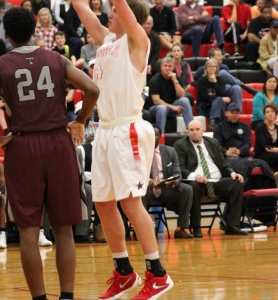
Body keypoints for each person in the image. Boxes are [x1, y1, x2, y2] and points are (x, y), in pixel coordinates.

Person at [0, 7, 99, 300]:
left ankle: (39, 298)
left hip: (22, 146)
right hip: (58, 143)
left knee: (30, 233)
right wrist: (80, 121)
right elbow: (93, 88)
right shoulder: (56, 58)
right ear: (35, 30)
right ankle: (67, 297)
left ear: (6, 34)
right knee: (64, 230)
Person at [72, 0, 173, 299]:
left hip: (128, 127)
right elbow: (82, 11)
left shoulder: (137, 41)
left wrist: (120, 4)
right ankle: (125, 273)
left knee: (130, 203)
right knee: (103, 203)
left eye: (114, 11)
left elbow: (122, 6)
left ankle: (158, 273)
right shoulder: (107, 41)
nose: (110, 13)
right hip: (104, 130)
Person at [174, 120, 248, 237]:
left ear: (203, 130)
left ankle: (232, 225)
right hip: (198, 182)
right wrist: (195, 176)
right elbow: (180, 168)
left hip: (216, 180)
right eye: (191, 130)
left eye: (197, 129)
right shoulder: (181, 145)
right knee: (193, 187)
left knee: (236, 183)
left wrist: (233, 173)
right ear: (187, 131)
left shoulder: (213, 142)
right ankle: (196, 227)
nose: (194, 132)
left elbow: (223, 164)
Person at [143, 124, 193, 239]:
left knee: (187, 189)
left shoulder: (170, 151)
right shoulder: (140, 152)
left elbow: (177, 172)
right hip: (147, 190)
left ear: (160, 136)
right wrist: (150, 182)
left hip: (166, 189)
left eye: (156, 135)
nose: (153, 137)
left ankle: (181, 228)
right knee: (139, 193)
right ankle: (142, 229)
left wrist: (175, 180)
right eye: (150, 134)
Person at [213, 103, 275, 181]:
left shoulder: (245, 126)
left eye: (237, 113)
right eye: (232, 112)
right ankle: (239, 186)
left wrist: (239, 151)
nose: (235, 115)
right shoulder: (219, 128)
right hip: (227, 158)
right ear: (226, 113)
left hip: (244, 156)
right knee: (238, 162)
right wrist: (226, 152)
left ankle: (273, 182)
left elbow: (248, 143)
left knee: (261, 162)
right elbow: (217, 145)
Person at [148, 56, 194, 133]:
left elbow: (182, 95)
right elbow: (156, 100)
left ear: (173, 67)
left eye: (169, 66)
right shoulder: (155, 80)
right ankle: (160, 135)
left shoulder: (176, 77)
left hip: (171, 107)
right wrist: (172, 107)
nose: (167, 68)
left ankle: (191, 128)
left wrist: (175, 81)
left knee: (184, 100)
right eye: (165, 66)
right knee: (162, 108)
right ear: (161, 67)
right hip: (155, 108)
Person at [194, 47, 258, 97]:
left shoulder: (224, 67)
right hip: (209, 90)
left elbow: (227, 81)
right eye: (218, 55)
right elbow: (193, 81)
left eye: (221, 55)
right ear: (211, 57)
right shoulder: (202, 69)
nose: (221, 57)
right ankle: (245, 87)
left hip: (221, 88)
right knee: (222, 73)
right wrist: (202, 85)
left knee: (236, 87)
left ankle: (235, 110)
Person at [196, 58, 232, 131]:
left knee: (220, 102)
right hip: (205, 107)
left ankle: (213, 122)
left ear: (217, 68)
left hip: (217, 106)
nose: (211, 68)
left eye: (213, 66)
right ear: (206, 68)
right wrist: (219, 99)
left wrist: (215, 82)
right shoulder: (201, 80)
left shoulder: (220, 80)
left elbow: (222, 94)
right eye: (209, 66)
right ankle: (223, 127)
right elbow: (204, 97)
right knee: (219, 101)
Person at [254, 103, 278, 169]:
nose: (270, 113)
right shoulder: (259, 127)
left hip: (274, 154)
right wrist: (276, 149)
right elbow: (263, 145)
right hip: (262, 154)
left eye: (272, 111)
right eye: (267, 112)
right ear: (264, 114)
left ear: (276, 114)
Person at [142, 15, 161, 84]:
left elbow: (156, 55)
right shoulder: (136, 36)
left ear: (152, 24)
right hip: (138, 62)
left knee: (160, 63)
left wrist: (150, 65)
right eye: (145, 24)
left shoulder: (156, 38)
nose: (146, 26)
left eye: (149, 24)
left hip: (151, 63)